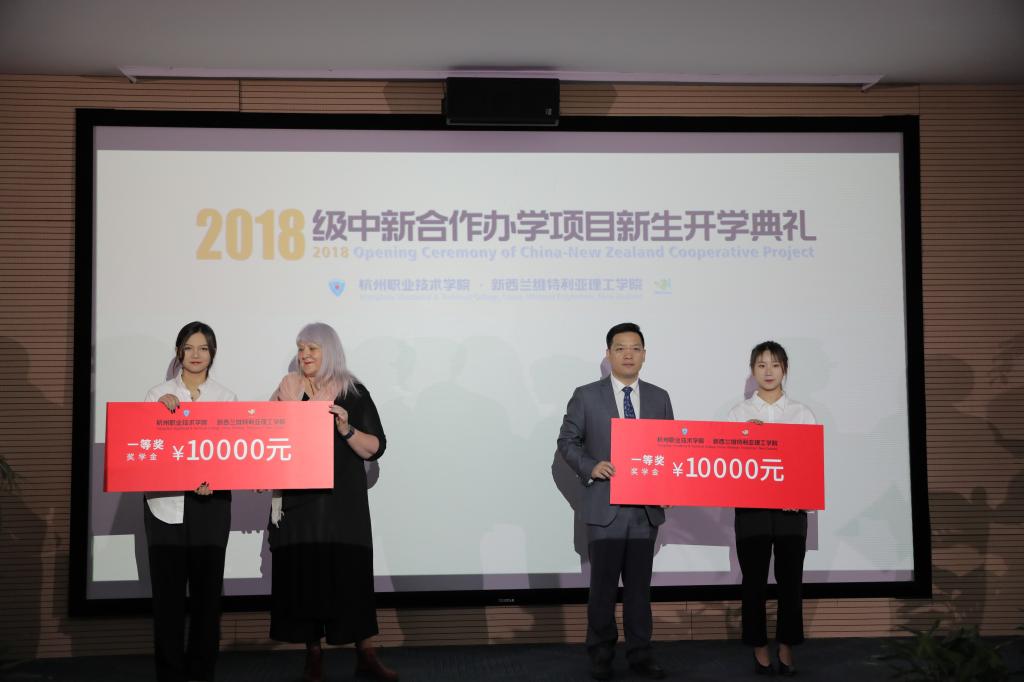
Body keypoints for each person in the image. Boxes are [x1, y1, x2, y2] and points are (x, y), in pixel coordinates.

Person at [267, 322, 397, 682]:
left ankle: (365, 654)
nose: (304, 355)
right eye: (301, 349)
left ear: (330, 351)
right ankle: (313, 656)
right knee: (306, 579)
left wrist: (346, 429)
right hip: (299, 505)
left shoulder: (352, 392)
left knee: (350, 578)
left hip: (343, 507)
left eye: (312, 348)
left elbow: (376, 447)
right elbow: (266, 437)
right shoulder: (286, 389)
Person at [557, 322, 674, 680]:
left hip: (644, 510)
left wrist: (669, 486)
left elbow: (670, 448)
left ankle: (640, 654)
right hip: (604, 507)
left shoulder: (659, 397)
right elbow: (567, 442)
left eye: (635, 348)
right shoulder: (586, 395)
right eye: (620, 348)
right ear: (608, 354)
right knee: (603, 588)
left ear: (644, 355)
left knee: (639, 589)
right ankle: (601, 654)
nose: (628, 354)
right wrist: (590, 467)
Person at [143, 321, 237, 682]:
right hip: (164, 507)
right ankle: (169, 673)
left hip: (211, 507)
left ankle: (201, 673)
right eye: (189, 347)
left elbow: (233, 454)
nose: (196, 355)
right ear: (178, 352)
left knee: (207, 598)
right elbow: (143, 449)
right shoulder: (158, 394)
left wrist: (216, 479)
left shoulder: (226, 398)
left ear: (213, 354)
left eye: (203, 348)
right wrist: (156, 414)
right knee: (167, 599)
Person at [728, 341, 817, 677]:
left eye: (775, 365)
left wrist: (802, 496)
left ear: (785, 370)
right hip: (751, 509)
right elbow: (728, 465)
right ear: (752, 371)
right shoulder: (738, 414)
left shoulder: (802, 413)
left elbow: (811, 465)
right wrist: (746, 439)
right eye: (761, 365)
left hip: (791, 510)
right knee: (753, 581)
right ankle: (759, 647)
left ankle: (786, 645)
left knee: (790, 581)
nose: (768, 372)